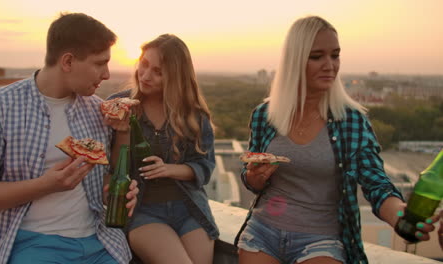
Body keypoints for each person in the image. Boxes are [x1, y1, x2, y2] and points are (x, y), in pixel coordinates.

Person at [234, 16, 439, 264]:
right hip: (263, 231)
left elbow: (376, 184)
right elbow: (251, 175)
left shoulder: (351, 121)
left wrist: (400, 215)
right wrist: (254, 178)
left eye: (335, 55)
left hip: (321, 238)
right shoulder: (264, 116)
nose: (330, 65)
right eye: (317, 56)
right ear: (294, 62)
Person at [0, 13, 138, 264]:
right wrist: (45, 185)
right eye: (99, 63)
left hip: (99, 241)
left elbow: (105, 181)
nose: (106, 74)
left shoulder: (97, 110)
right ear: (68, 61)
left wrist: (118, 193)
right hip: (30, 243)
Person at [104, 33, 218, 264]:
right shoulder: (120, 105)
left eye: (158, 72)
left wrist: (169, 169)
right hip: (143, 211)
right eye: (144, 65)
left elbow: (205, 167)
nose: (145, 76)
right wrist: (124, 131)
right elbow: (115, 171)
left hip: (190, 208)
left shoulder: (193, 115)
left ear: (175, 77)